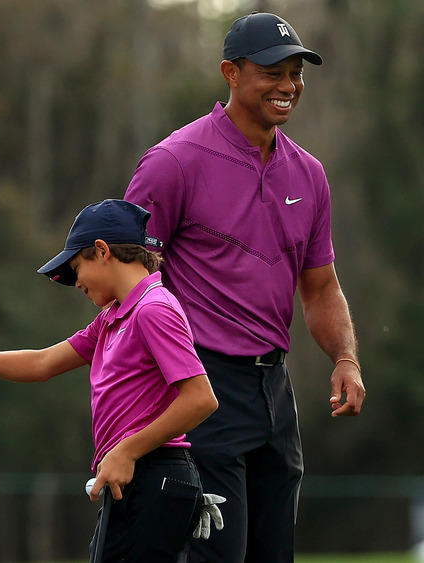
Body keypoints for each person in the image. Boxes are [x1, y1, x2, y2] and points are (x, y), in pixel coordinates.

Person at [123, 11, 366, 562]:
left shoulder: (309, 174)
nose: (288, 85)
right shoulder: (174, 162)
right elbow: (129, 279)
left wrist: (346, 359)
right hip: (200, 386)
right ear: (231, 73)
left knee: (274, 554)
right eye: (273, 72)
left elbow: (321, 286)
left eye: (296, 73)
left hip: (274, 393)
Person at [0, 199, 219, 561]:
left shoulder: (153, 309)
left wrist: (127, 452)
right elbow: (43, 363)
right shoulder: (113, 316)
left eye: (76, 268)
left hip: (152, 470)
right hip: (136, 475)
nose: (76, 282)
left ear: (101, 251)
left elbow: (200, 398)